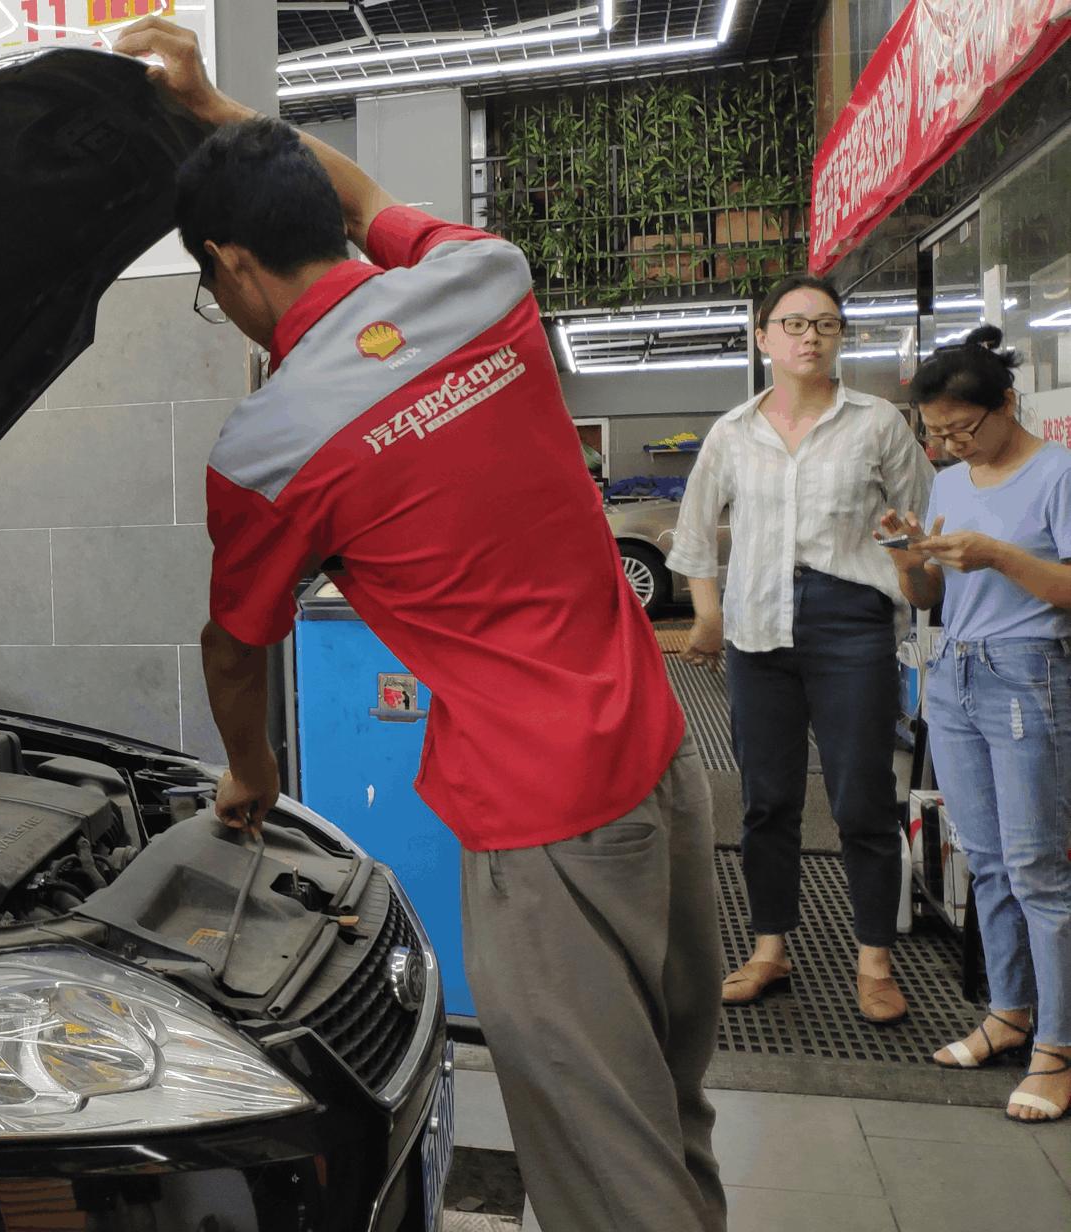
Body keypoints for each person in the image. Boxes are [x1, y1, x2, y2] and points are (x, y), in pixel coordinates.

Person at [112, 18, 722, 1232]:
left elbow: (237, 642)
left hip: (546, 821)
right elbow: (369, 193)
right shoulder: (480, 275)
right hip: (665, 757)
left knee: (607, 1166)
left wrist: (251, 770)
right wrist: (216, 103)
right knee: (668, 1112)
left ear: (231, 266)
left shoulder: (270, 449)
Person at [670, 274, 933, 1025]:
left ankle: (875, 960)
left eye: (824, 323)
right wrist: (708, 615)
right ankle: (769, 949)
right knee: (767, 800)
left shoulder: (878, 423)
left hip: (850, 619)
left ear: (841, 337)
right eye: (792, 323)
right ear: (763, 338)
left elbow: (921, 521)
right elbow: (694, 533)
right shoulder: (733, 431)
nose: (808, 335)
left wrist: (913, 567)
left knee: (862, 798)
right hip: (756, 627)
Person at [880, 326, 1071, 1124]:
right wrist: (905, 555)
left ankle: (1057, 1049)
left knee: (1036, 867)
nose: (952, 445)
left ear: (1007, 404)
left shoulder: (1058, 472)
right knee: (985, 860)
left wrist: (996, 557)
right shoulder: (951, 483)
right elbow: (929, 600)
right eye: (938, 435)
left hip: (1030, 671)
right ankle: (1009, 1014)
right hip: (953, 671)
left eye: (963, 428)